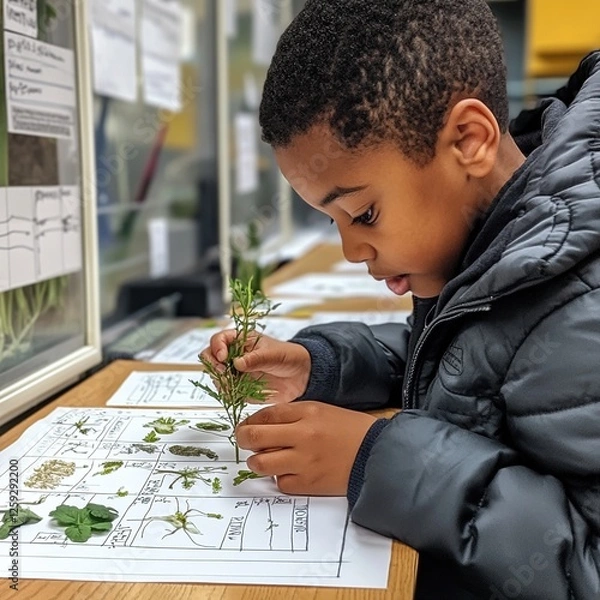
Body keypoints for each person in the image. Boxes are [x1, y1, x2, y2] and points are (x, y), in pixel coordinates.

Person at [201, 1, 600, 597]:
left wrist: (378, 460)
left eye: (363, 213)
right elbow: (466, 361)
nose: (350, 250)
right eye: (331, 222)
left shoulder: (581, 306)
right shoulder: (502, 243)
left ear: (469, 141)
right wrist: (323, 367)